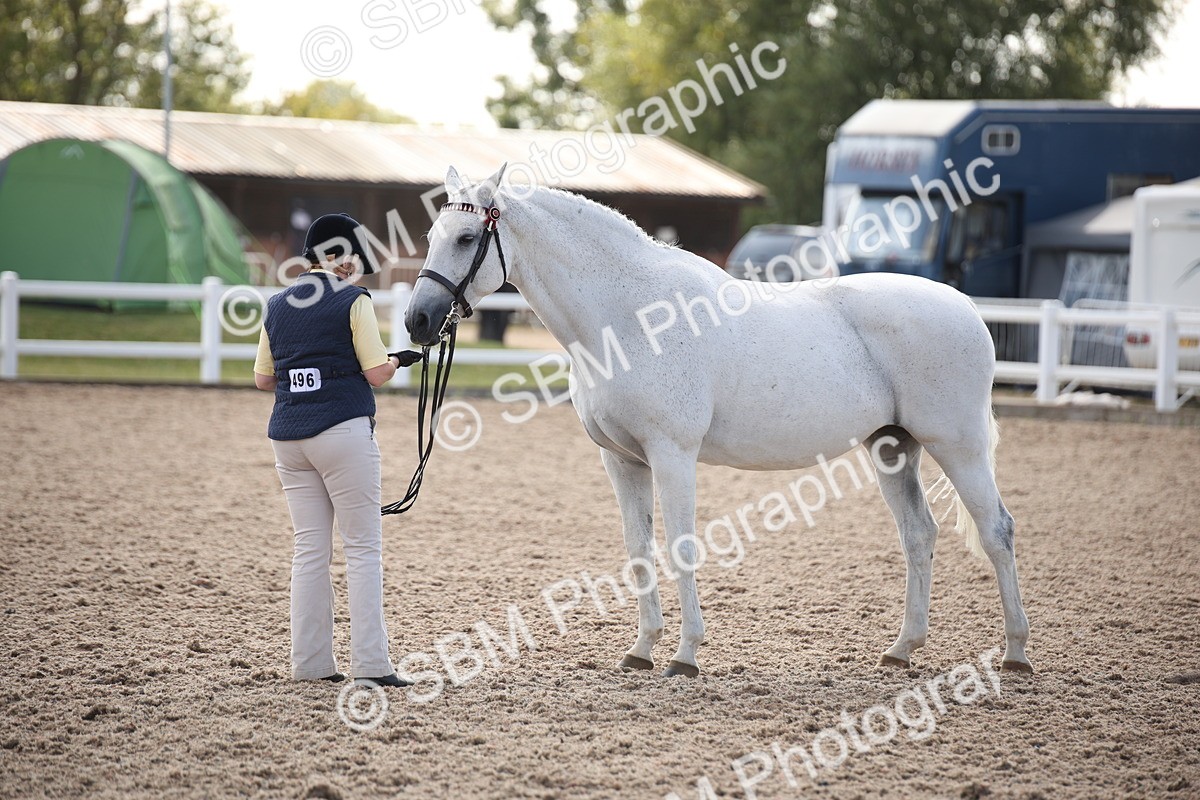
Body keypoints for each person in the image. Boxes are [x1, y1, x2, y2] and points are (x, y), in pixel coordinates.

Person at [253, 212, 410, 688]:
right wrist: (399, 360)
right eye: (353, 259)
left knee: (309, 550)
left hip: (288, 437)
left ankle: (311, 664)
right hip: (342, 431)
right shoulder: (352, 299)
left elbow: (263, 379)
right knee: (362, 549)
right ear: (337, 256)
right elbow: (376, 373)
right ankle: (372, 665)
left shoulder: (276, 304)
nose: (355, 268)